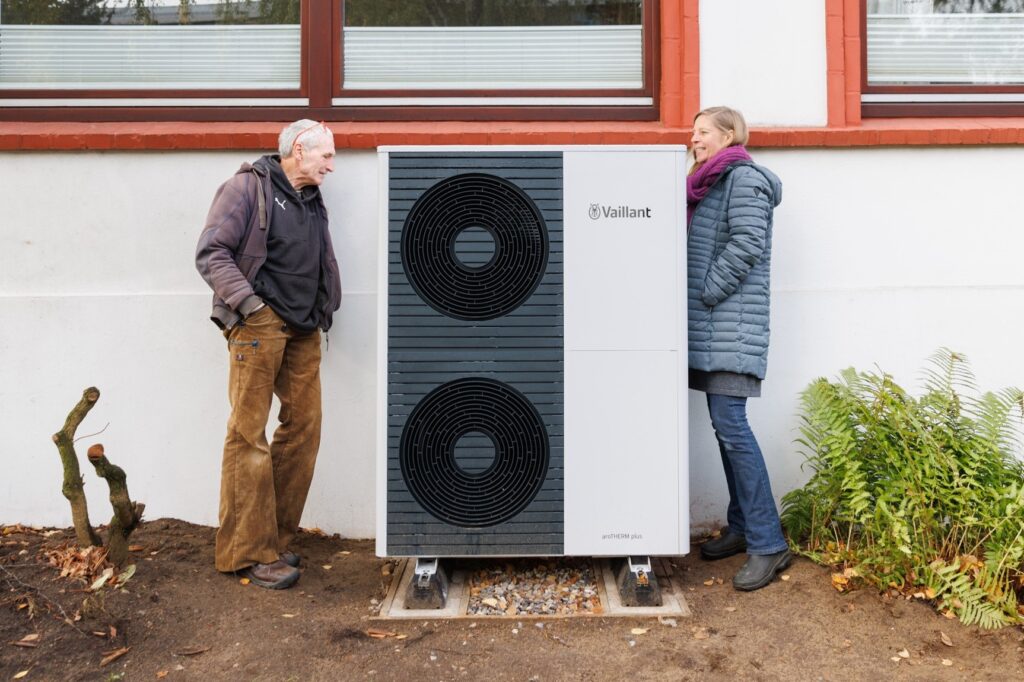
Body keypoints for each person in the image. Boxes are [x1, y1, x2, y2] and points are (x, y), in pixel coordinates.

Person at [195, 119, 341, 589]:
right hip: (260, 324)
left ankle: (272, 540)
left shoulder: (311, 200)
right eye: (326, 156)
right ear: (300, 150)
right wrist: (250, 305)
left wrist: (324, 306)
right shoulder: (246, 188)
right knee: (248, 435)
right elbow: (211, 252)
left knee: (305, 427)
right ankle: (246, 552)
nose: (332, 166)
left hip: (302, 329)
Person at [686, 106, 789, 591]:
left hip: (730, 328)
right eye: (694, 131)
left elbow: (748, 242)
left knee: (732, 427)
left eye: (702, 131)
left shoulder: (742, 179)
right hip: (714, 331)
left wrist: (707, 288)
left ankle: (769, 544)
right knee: (724, 426)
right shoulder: (709, 183)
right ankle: (743, 527)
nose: (694, 138)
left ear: (729, 135)